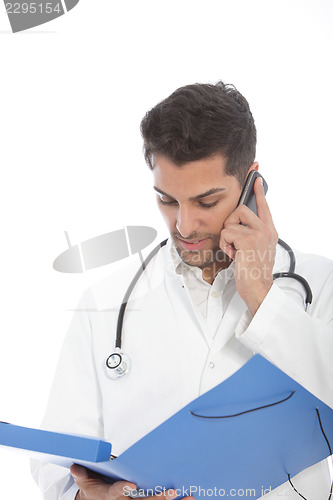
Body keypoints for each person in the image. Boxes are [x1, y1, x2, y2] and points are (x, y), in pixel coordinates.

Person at [32, 81, 333, 499]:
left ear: (252, 183)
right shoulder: (105, 303)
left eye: (206, 202)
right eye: (166, 200)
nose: (184, 226)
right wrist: (91, 497)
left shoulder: (321, 284)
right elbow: (57, 462)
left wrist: (263, 297)